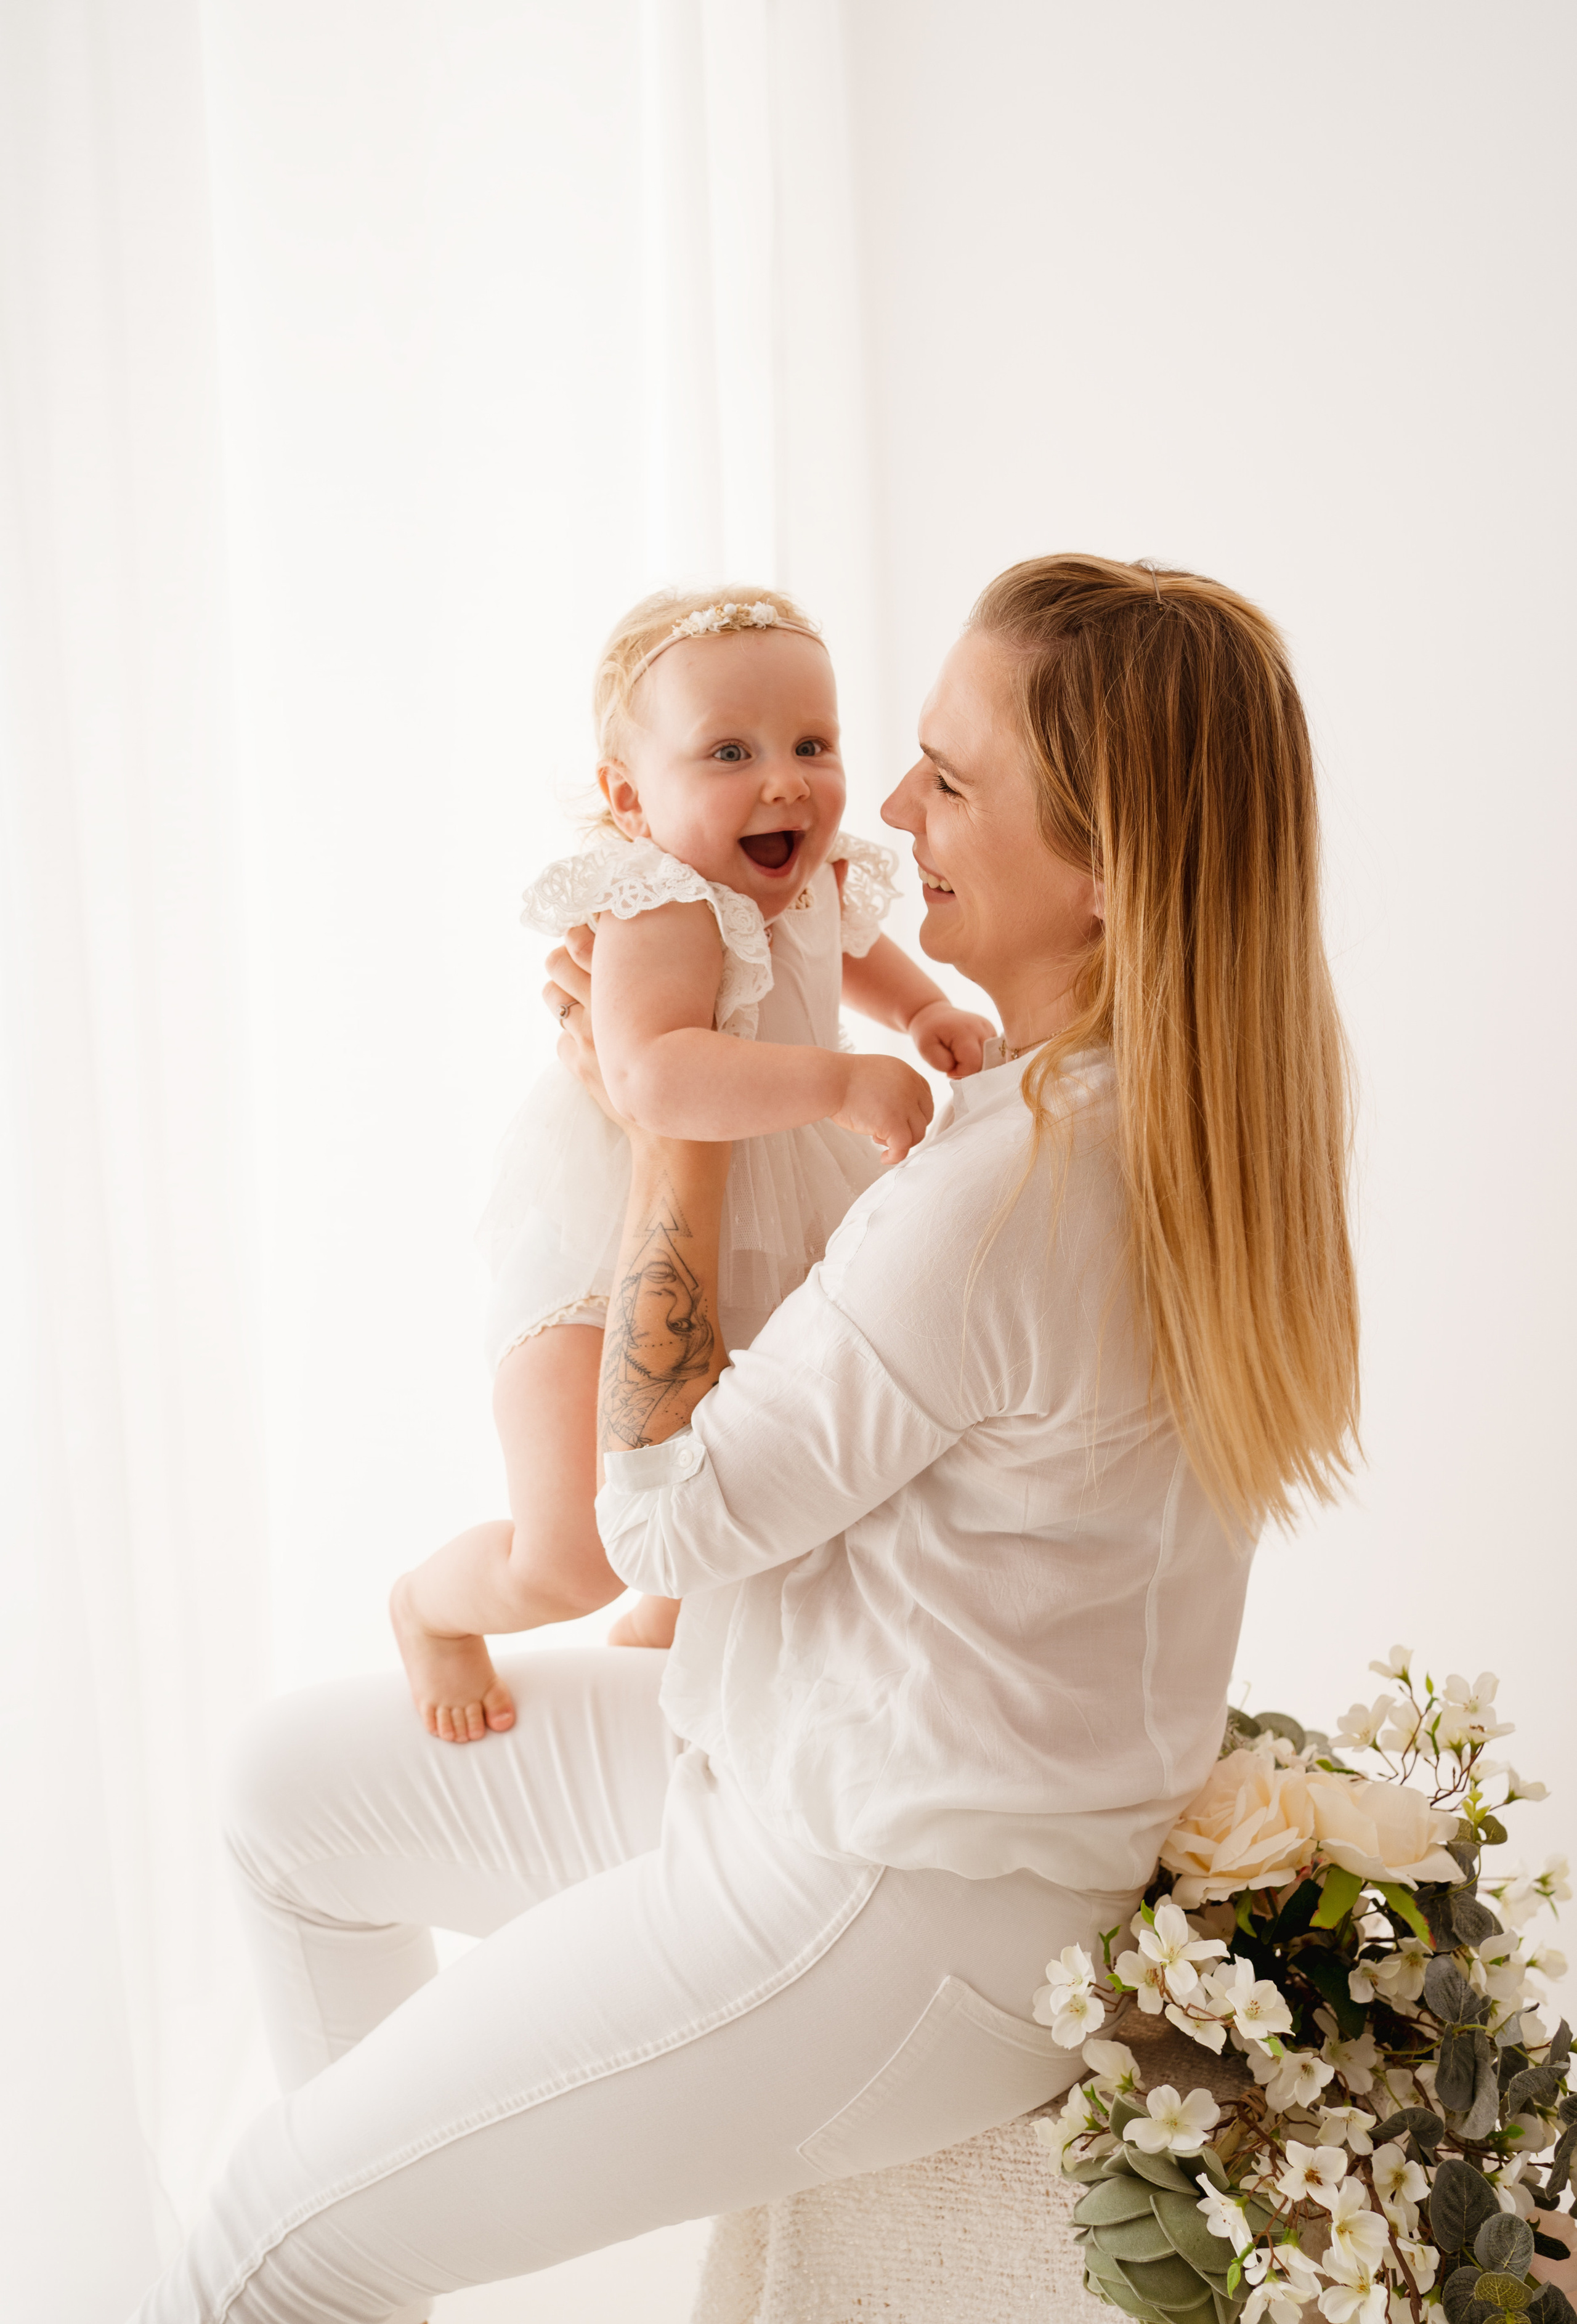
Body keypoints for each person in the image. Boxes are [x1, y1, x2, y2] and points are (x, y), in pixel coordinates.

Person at [131, 554, 1358, 2324]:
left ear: (1100, 874)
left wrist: (667, 1115)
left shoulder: (1006, 1196)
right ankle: (398, 2217)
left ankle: (362, 2230)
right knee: (281, 1799)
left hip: (887, 1892)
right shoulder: (1156, 1118)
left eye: (951, 775)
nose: (894, 809)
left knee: (262, 2238)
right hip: (798, 1754)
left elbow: (665, 1524)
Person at [391, 585, 992, 1736]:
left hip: (777, 1228)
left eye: (813, 744)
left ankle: (653, 1691)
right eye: (730, 751)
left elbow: (851, 948)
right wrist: (840, 1078)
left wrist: (920, 1014)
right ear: (629, 798)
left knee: (714, 1542)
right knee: (574, 1555)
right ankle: (433, 1604)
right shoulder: (657, 897)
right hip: (598, 1256)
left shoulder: (807, 871)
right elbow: (651, 1076)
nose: (786, 780)